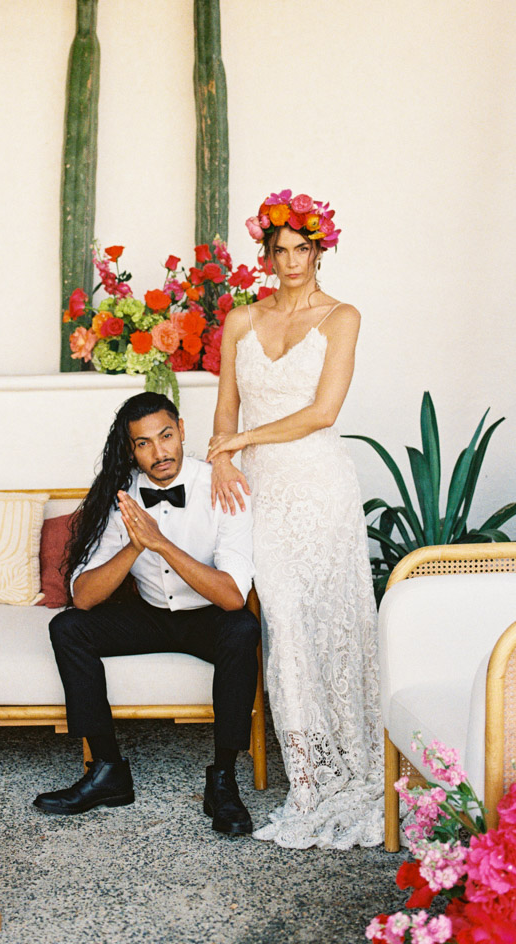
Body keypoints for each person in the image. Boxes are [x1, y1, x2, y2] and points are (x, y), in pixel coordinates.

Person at [207, 189, 384, 849]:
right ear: (266, 253)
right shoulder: (239, 320)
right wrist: (226, 458)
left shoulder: (341, 317)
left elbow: (322, 413)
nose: (289, 261)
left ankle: (344, 764)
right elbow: (226, 403)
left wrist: (238, 443)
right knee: (279, 617)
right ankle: (308, 772)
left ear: (318, 250)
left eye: (300, 249)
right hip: (259, 488)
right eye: (278, 250)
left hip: (319, 484)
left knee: (328, 620)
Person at [35, 392, 260, 836]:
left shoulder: (223, 486)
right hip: (152, 614)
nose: (159, 452)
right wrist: (135, 545)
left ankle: (224, 781)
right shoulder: (118, 499)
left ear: (181, 429)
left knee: (243, 629)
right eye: (144, 443)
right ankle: (107, 771)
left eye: (166, 436)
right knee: (68, 628)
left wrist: (161, 544)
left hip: (208, 616)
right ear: (130, 450)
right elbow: (82, 596)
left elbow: (233, 596)